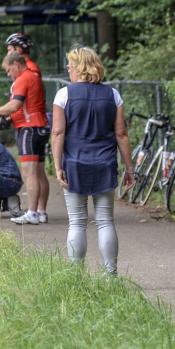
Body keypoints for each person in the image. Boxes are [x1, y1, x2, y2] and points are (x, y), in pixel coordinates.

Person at [51, 46, 135, 275]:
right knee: (105, 221)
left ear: (78, 67)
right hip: (104, 163)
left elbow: (58, 133)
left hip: (74, 164)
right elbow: (121, 134)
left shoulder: (64, 94)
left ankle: (76, 275)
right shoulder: (113, 95)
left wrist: (57, 166)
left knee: (77, 222)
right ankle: (111, 275)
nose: (68, 69)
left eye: (70, 65)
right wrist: (129, 169)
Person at [0, 52, 50, 225]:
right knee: (39, 173)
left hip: (29, 129)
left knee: (29, 174)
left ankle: (32, 213)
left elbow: (15, 105)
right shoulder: (34, 76)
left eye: (8, 70)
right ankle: (41, 211)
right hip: (41, 127)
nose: (8, 74)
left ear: (16, 64)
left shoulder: (23, 78)